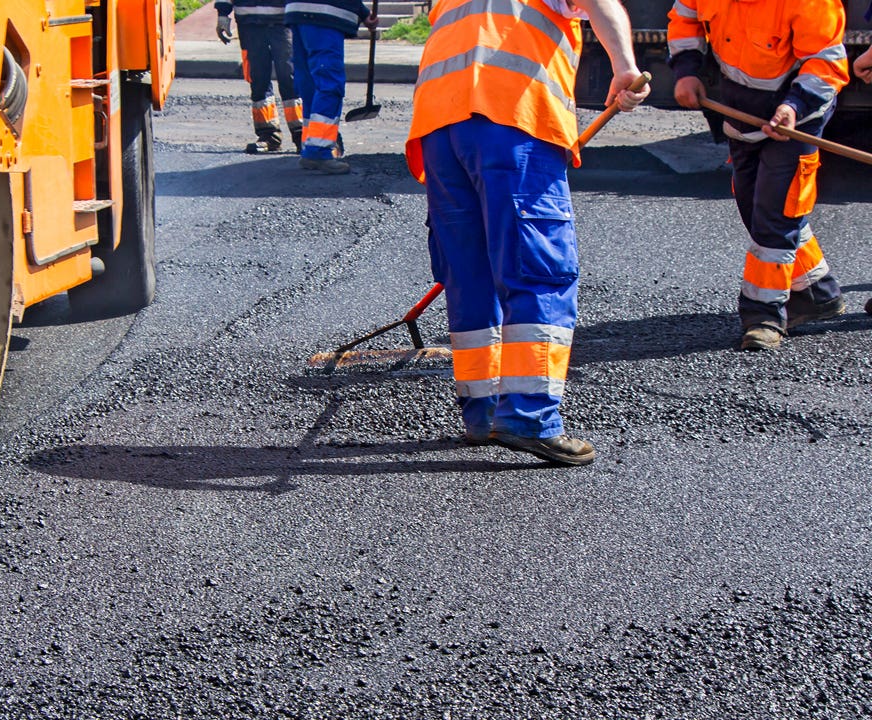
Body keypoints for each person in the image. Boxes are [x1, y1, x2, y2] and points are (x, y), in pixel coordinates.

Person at [404, 0, 649, 466]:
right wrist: (624, 67)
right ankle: (527, 415)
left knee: (469, 273)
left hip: (439, 126)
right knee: (538, 269)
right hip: (511, 115)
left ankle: (481, 414)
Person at [669, 0, 849, 350]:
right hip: (741, 112)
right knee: (756, 208)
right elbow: (685, 20)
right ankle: (817, 292)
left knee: (774, 217)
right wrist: (687, 71)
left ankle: (763, 315)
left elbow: (826, 62)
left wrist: (793, 106)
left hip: (798, 120)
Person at [285, 0, 378, 174]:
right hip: (324, 11)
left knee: (310, 85)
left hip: (298, 10)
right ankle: (318, 151)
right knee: (329, 83)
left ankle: (310, 145)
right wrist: (362, 12)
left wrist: (362, 12)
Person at [216, 0, 306, 153]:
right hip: (249, 22)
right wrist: (222, 13)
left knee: (290, 76)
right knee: (257, 78)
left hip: (283, 20)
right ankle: (268, 135)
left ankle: (301, 133)